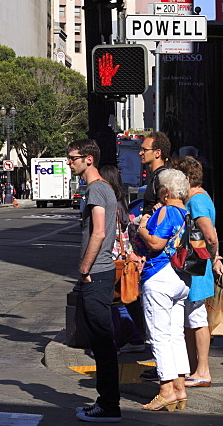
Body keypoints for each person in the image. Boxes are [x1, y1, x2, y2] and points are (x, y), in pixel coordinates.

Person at [68, 139, 120, 423]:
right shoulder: (102, 188)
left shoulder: (97, 189)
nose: (69, 162)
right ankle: (105, 402)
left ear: (88, 159)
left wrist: (85, 268)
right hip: (101, 272)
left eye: (73, 157)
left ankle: (109, 406)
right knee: (102, 342)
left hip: (97, 273)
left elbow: (98, 233)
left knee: (102, 342)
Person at [132, 168, 191, 412]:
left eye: (158, 190)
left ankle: (166, 391)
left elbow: (155, 242)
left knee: (159, 336)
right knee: (176, 335)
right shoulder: (184, 212)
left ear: (166, 192)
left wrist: (142, 227)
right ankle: (180, 388)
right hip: (180, 278)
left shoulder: (166, 210)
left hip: (159, 276)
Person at [173, 156, 223, 387]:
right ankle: (194, 368)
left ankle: (202, 370)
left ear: (185, 179)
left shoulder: (197, 201)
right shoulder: (195, 198)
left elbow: (210, 235)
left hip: (198, 266)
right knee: (190, 319)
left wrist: (214, 257)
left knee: (197, 317)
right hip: (196, 265)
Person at [99, 163, 145, 353]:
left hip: (113, 259)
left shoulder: (111, 205)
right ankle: (133, 339)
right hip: (123, 257)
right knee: (119, 301)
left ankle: (123, 340)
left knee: (114, 302)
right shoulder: (121, 203)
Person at [139, 132, 172, 215]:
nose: (140, 153)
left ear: (157, 153)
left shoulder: (162, 177)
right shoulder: (155, 176)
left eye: (145, 150)